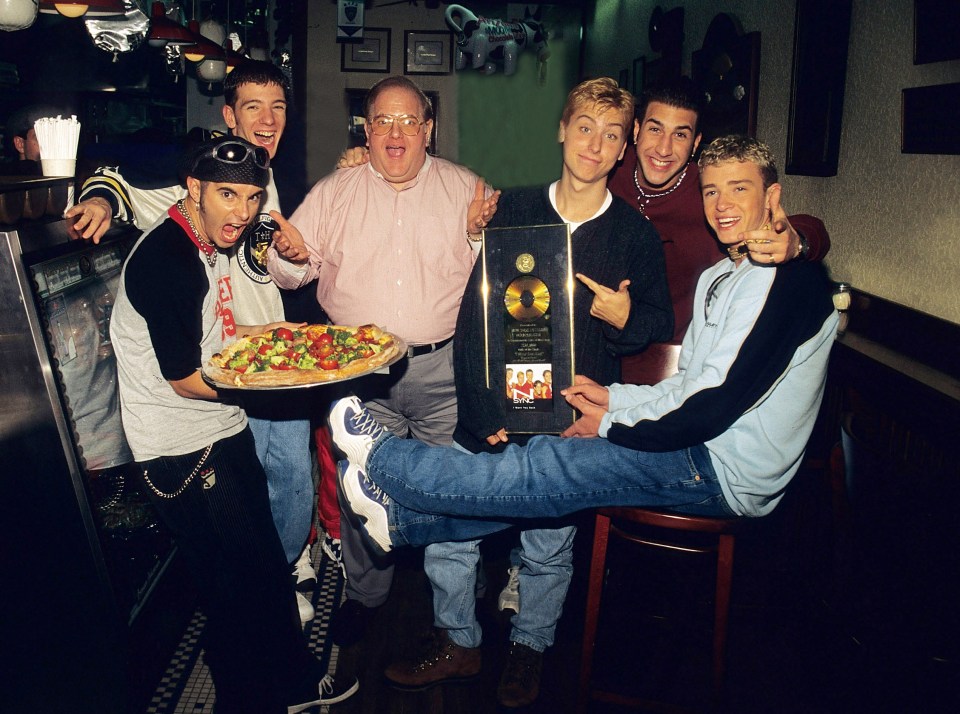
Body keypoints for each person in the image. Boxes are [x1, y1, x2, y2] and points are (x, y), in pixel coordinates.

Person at [329, 137, 838, 621]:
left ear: (773, 195)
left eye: (739, 187)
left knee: (553, 464)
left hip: (724, 471)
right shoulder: (721, 276)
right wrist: (613, 398)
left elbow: (711, 405)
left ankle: (387, 460)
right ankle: (397, 522)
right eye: (711, 189)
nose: (722, 203)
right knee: (541, 481)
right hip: (701, 447)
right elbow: (688, 385)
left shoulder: (790, 279)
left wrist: (611, 424)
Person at [381, 77, 672, 707]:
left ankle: (530, 648)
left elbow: (656, 326)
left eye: (611, 134)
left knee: (549, 545)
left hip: (571, 419)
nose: (596, 144)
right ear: (562, 130)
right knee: (448, 533)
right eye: (585, 127)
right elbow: (473, 320)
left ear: (623, 150)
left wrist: (627, 319)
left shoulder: (633, 235)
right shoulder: (511, 210)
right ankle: (460, 641)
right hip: (494, 411)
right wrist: (481, 406)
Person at [109, 136, 358, 713]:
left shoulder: (203, 243)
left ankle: (285, 685)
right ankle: (262, 698)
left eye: (250, 197)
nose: (242, 212)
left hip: (218, 428)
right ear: (193, 189)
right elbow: (186, 376)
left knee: (256, 573)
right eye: (227, 194)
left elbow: (215, 337)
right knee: (237, 586)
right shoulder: (166, 259)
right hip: (182, 447)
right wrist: (279, 380)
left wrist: (280, 340)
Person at [66, 60, 318, 624]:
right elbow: (121, 178)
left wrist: (281, 325)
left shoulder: (278, 180)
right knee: (236, 570)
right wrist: (104, 200)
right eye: (253, 106)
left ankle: (282, 587)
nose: (268, 119)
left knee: (287, 487)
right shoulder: (186, 208)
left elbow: (255, 292)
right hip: (216, 401)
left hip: (241, 373)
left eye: (278, 107)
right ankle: (270, 621)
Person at [267, 74, 499, 648]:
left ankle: (456, 607)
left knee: (453, 488)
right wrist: (290, 254)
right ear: (366, 131)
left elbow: (498, 285)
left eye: (408, 121)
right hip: (359, 373)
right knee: (361, 488)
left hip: (443, 369)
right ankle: (366, 597)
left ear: (428, 130)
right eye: (383, 122)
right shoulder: (335, 190)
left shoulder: (465, 189)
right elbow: (293, 271)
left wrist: (477, 238)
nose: (396, 133)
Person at [606, 77, 830, 382]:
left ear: (696, 144)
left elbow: (797, 223)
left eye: (681, 134)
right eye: (655, 129)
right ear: (636, 130)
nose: (664, 148)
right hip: (602, 349)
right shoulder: (610, 170)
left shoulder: (710, 191)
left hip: (678, 367)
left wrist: (798, 241)